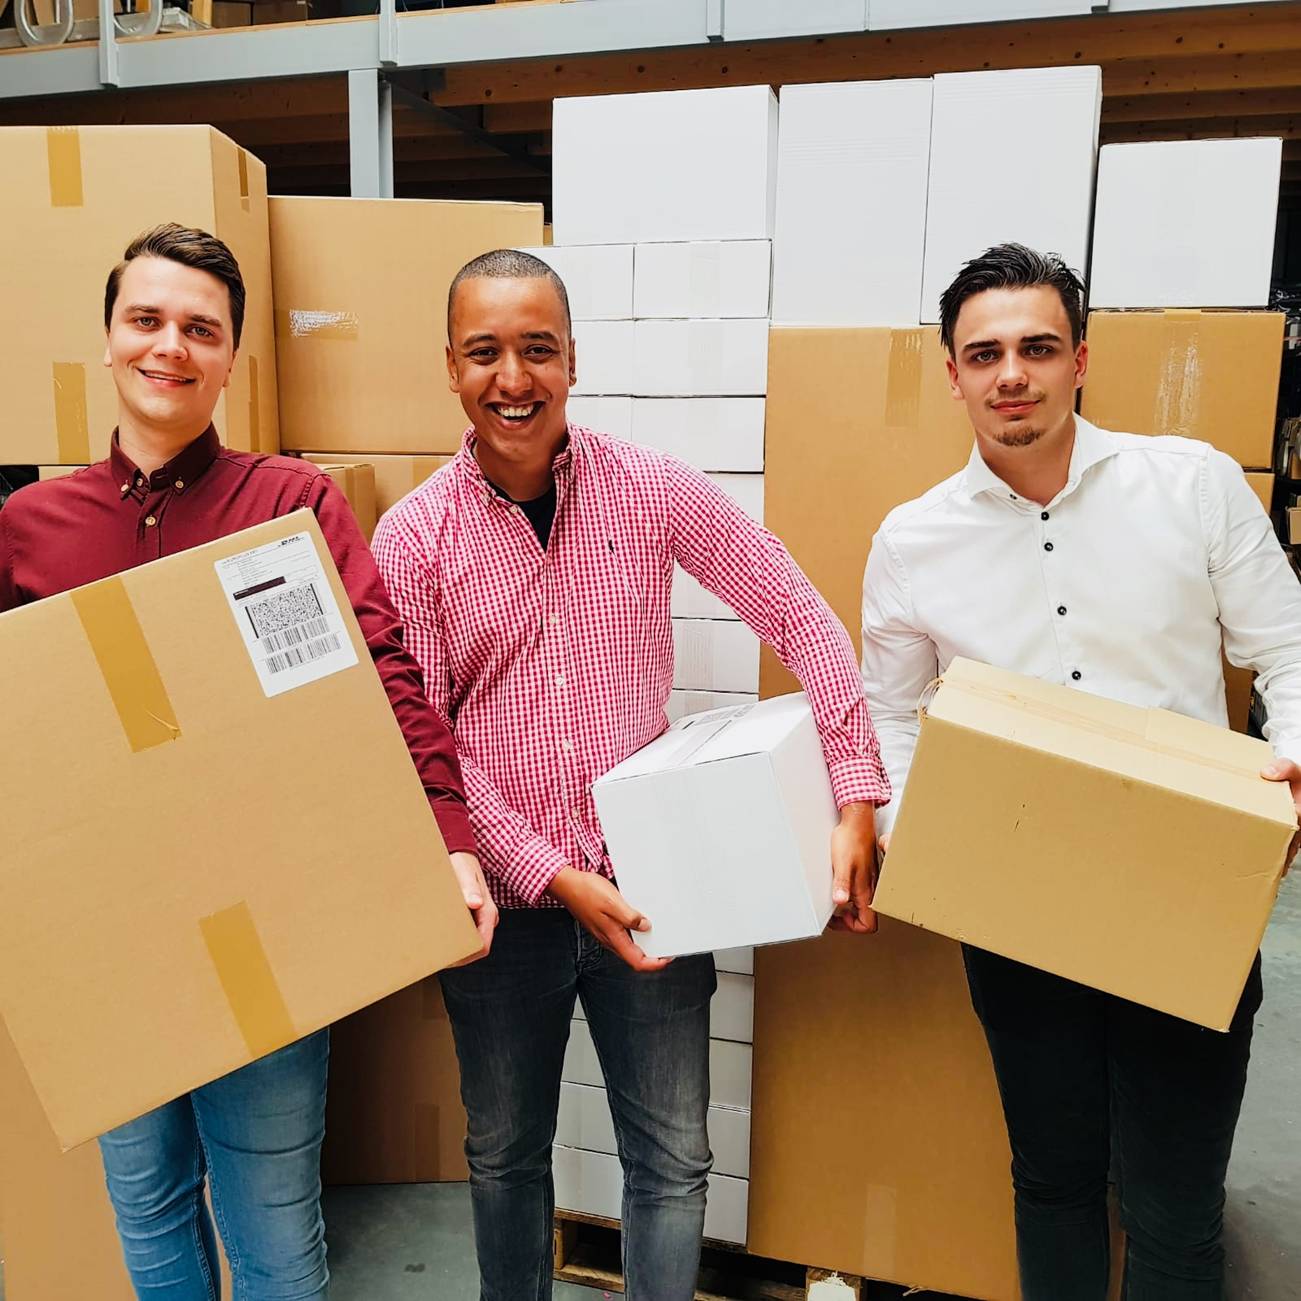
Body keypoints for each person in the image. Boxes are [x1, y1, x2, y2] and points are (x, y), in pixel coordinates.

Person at [370, 248, 888, 1301]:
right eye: (484, 352)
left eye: (537, 349)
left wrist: (853, 789)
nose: (512, 377)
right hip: (500, 913)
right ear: (450, 366)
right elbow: (429, 744)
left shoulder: (647, 488)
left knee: (673, 1157)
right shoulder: (413, 537)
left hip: (657, 886)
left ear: (573, 358)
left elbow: (797, 611)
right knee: (504, 1154)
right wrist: (550, 873)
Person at [0, 222, 497, 1301]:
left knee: (271, 1225)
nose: (169, 346)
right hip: (104, 940)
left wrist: (450, 840)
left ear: (230, 358)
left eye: (200, 329)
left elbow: (383, 673)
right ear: (107, 338)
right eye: (147, 320)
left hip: (265, 922)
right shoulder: (29, 527)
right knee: (148, 1208)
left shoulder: (286, 507)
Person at [860, 242, 1301, 1301]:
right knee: (1052, 1179)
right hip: (1013, 903)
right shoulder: (913, 540)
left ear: (1080, 359)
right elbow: (890, 713)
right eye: (984, 354)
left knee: (1172, 1207)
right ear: (952, 373)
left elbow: (1286, 648)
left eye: (1037, 347)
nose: (1010, 373)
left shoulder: (1189, 484)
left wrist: (1288, 771)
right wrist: (913, 840)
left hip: (1187, 889)